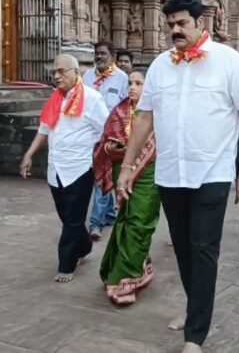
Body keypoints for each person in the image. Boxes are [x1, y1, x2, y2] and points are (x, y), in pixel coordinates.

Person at [117, 0, 239, 353]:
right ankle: (195, 306)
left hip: (211, 173)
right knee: (182, 248)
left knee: (203, 247)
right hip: (170, 174)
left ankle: (195, 335)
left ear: (201, 24)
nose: (175, 30)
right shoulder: (162, 65)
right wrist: (128, 167)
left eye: (182, 23)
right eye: (170, 25)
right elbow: (145, 118)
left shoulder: (229, 61)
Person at [20, 54, 109, 282]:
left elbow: (105, 130)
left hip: (79, 169)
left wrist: (97, 158)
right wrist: (29, 154)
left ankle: (66, 265)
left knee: (72, 219)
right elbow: (44, 129)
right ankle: (85, 245)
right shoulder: (54, 99)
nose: (56, 76)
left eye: (61, 71)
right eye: (54, 72)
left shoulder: (92, 99)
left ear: (76, 73)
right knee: (67, 217)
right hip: (56, 169)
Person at [94, 68, 159, 306]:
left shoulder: (158, 113)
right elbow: (104, 143)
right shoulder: (119, 111)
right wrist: (113, 149)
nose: (132, 87)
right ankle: (121, 269)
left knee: (140, 221)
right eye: (130, 83)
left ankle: (128, 278)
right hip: (121, 170)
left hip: (150, 172)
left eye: (139, 83)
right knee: (125, 219)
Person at [83, 41, 130, 240]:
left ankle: (95, 224)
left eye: (103, 53)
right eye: (97, 53)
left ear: (112, 55)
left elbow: (128, 108)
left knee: (101, 179)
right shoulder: (87, 76)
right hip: (89, 136)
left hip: (111, 138)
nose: (99, 57)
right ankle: (109, 214)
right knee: (100, 178)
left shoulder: (121, 78)